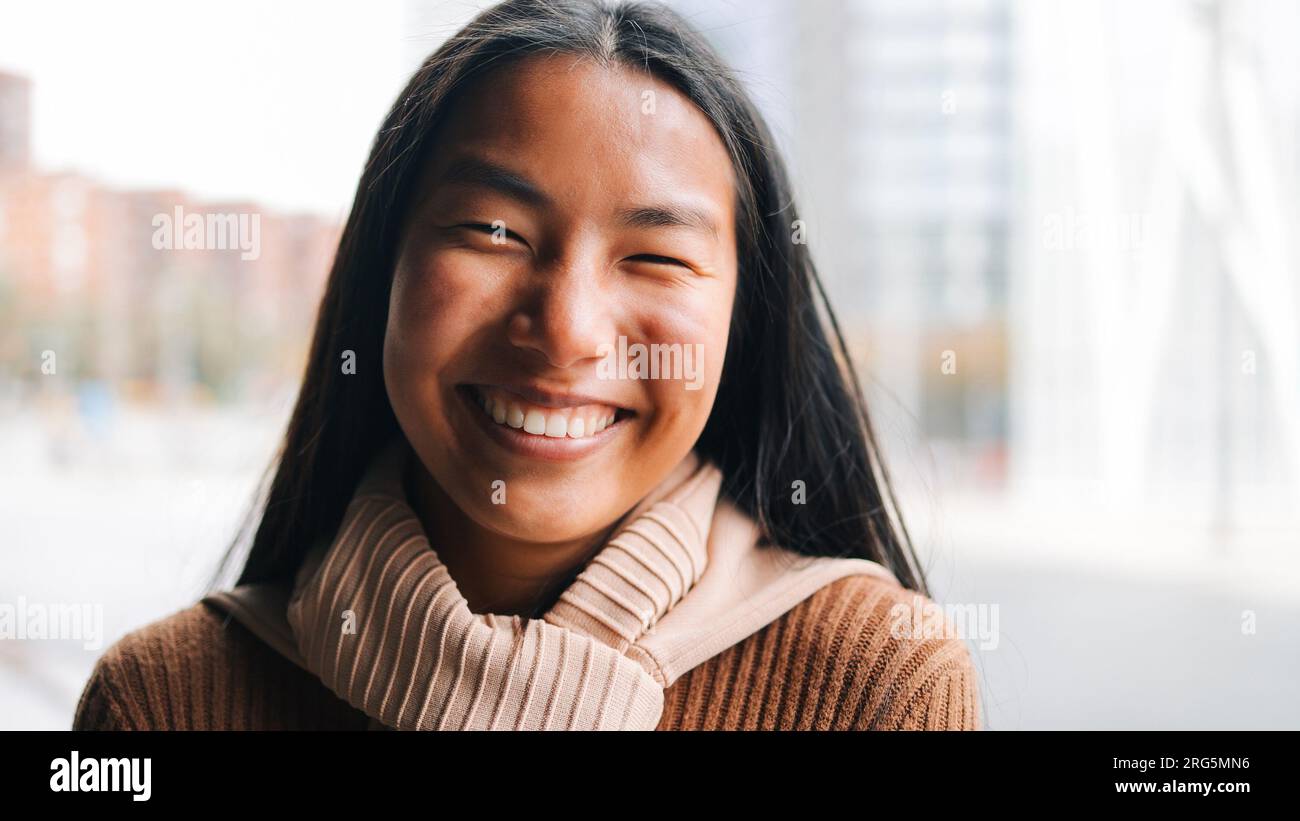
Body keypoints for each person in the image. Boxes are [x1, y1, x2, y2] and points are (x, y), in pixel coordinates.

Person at [72, 0, 981, 731]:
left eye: (657, 257)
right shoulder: (165, 699)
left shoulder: (878, 686)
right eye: (492, 232)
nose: (566, 330)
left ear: (745, 321)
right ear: (383, 268)